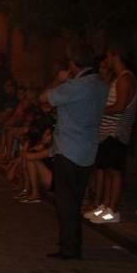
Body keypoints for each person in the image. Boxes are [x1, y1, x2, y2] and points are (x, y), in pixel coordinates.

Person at [40, 44, 108, 260]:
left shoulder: (76, 86)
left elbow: (45, 98)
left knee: (65, 202)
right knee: (75, 200)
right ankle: (72, 243)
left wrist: (59, 80)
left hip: (69, 148)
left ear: (73, 64)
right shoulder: (99, 84)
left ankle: (69, 248)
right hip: (88, 148)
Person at [86, 47, 137, 224]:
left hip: (116, 132)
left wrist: (97, 111)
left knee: (114, 171)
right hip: (107, 132)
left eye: (108, 55)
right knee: (107, 169)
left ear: (116, 56)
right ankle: (105, 206)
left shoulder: (125, 79)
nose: (106, 59)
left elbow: (120, 106)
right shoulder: (119, 78)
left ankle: (112, 210)